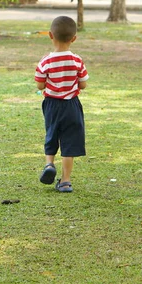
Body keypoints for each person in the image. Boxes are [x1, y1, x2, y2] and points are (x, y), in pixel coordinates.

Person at [35, 16, 89, 193]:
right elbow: (83, 84)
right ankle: (65, 181)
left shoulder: (45, 62)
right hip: (71, 105)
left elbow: (40, 85)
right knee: (70, 141)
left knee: (51, 134)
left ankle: (49, 164)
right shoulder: (77, 61)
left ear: (51, 35)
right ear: (74, 38)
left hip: (51, 104)